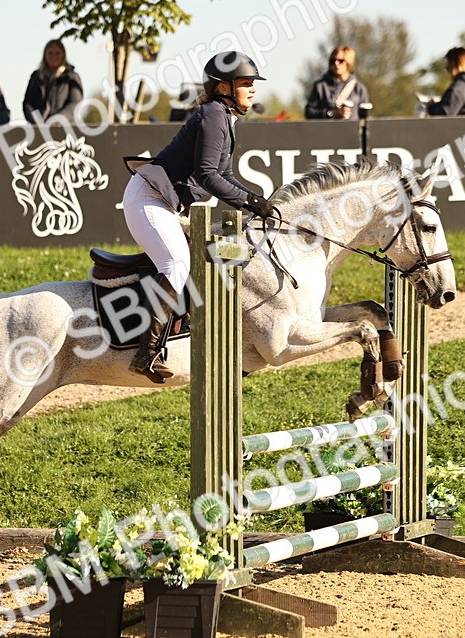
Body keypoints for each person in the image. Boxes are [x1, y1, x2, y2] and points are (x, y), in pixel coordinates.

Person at [122, 51, 271, 384]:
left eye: (251, 84)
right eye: (246, 83)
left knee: (199, 259)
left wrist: (254, 201)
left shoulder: (223, 117)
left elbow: (225, 173)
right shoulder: (213, 115)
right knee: (175, 262)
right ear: (223, 87)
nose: (252, 90)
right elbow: (206, 175)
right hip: (148, 199)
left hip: (161, 201)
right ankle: (146, 353)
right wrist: (249, 199)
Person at [22, 39, 83, 123]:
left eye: (57, 53)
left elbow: (75, 102)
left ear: (63, 55)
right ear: (45, 55)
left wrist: (58, 119)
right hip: (39, 128)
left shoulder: (71, 77)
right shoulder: (36, 77)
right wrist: (37, 121)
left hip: (64, 127)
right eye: (50, 53)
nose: (53, 57)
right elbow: (28, 104)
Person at [304, 45, 370, 120]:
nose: (336, 63)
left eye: (341, 61)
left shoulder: (359, 89)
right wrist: (331, 113)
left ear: (349, 62)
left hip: (352, 130)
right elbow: (309, 112)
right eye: (333, 61)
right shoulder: (321, 86)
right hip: (327, 130)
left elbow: (365, 118)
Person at [426, 47, 465, 117]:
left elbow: (444, 115)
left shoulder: (459, 89)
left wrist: (430, 107)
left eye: (449, 64)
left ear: (456, 65)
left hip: (460, 128)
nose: (447, 68)